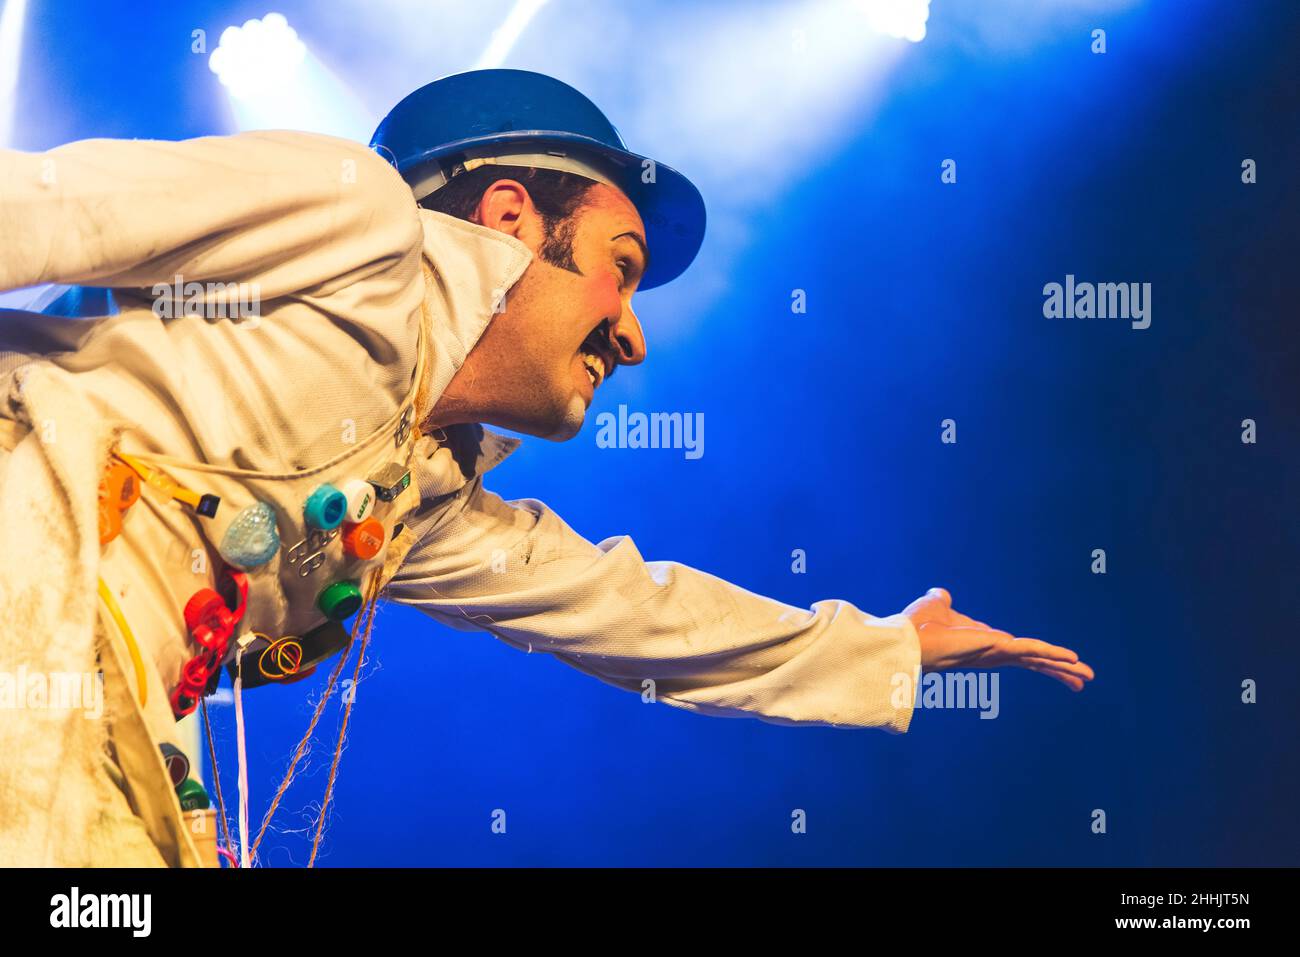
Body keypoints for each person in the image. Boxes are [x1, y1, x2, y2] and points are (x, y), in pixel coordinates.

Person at [0, 69, 1093, 866]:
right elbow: (43, 210)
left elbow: (640, 617)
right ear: (512, 220)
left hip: (94, 732)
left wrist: (888, 646)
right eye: (620, 271)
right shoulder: (354, 223)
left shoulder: (422, 500)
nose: (633, 336)